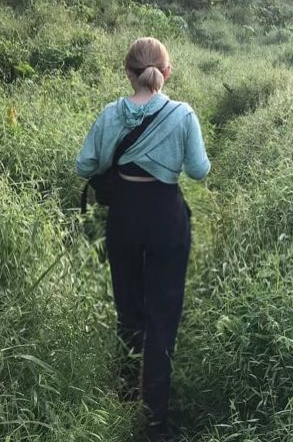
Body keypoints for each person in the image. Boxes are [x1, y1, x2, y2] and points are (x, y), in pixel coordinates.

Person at [76, 37, 210, 441]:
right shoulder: (183, 115)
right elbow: (199, 171)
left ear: (127, 72)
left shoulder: (110, 114)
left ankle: (123, 395)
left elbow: (85, 164)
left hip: (125, 218)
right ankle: (155, 421)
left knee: (128, 308)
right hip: (166, 218)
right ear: (166, 74)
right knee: (163, 316)